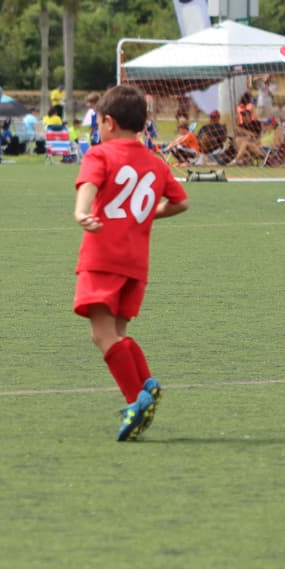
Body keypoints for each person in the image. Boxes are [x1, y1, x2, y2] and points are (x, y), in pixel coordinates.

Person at [73, 84, 189, 441]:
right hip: (136, 262)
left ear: (107, 122)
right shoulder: (155, 162)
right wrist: (147, 214)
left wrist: (81, 213)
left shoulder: (100, 154)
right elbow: (181, 202)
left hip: (102, 255)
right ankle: (146, 385)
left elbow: (89, 186)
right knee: (118, 333)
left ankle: (135, 399)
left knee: (101, 334)